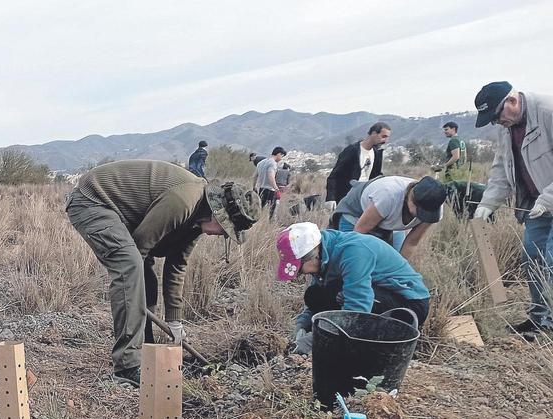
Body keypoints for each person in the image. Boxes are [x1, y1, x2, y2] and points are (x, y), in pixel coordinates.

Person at [65, 160, 259, 385]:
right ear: (218, 214)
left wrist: (174, 320)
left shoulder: (197, 219)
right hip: (93, 201)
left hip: (120, 214)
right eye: (226, 230)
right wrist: (138, 300)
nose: (223, 235)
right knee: (131, 268)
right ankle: (127, 367)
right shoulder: (183, 202)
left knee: (143, 275)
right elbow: (140, 248)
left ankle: (144, 350)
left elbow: (177, 265)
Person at [472, 81, 553, 340]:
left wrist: (547, 199)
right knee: (533, 258)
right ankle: (541, 319)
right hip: (534, 206)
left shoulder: (548, 111)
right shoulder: (507, 128)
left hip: (546, 201)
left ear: (512, 102)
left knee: (550, 260)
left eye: (496, 117)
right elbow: (501, 169)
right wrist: (487, 204)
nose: (496, 123)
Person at [277, 222, 430, 354]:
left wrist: (313, 340)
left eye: (299, 269)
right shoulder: (323, 254)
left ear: (313, 255)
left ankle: (361, 344)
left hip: (408, 304)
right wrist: (302, 324)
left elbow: (358, 309)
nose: (300, 274)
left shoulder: (354, 252)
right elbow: (315, 300)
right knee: (315, 294)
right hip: (375, 293)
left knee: (343, 299)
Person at [332, 175, 445, 258]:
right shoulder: (388, 196)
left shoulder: (434, 206)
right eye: (421, 212)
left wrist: (400, 271)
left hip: (389, 221)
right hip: (357, 216)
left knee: (392, 264)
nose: (422, 217)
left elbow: (411, 242)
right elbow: (358, 233)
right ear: (411, 198)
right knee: (353, 260)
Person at [325, 122, 391, 211]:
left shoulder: (377, 153)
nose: (385, 141)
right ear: (374, 133)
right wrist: (330, 198)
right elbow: (334, 176)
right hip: (346, 199)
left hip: (365, 198)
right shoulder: (352, 150)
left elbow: (376, 177)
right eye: (383, 136)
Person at [256, 147, 286, 218]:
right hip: (270, 190)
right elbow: (271, 177)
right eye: (282, 156)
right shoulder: (273, 163)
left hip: (261, 189)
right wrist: (276, 189)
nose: (281, 158)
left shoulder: (261, 163)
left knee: (260, 209)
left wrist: (254, 187)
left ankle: (259, 223)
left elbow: (254, 176)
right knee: (272, 211)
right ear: (279, 154)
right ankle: (270, 225)